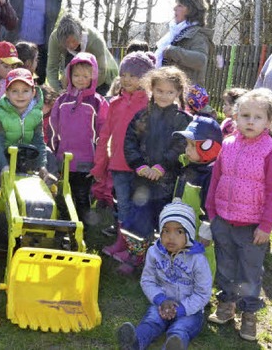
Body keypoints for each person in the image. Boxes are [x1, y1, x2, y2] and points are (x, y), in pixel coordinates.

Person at [206, 88, 272, 341]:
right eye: (245, 115)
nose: (250, 121)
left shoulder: (270, 152)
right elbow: (216, 179)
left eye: (258, 117)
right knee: (226, 266)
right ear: (235, 116)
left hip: (252, 227)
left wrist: (266, 225)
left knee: (249, 273)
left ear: (268, 122)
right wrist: (212, 213)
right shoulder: (227, 145)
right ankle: (227, 305)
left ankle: (249, 315)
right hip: (223, 221)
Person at [119, 66, 192, 274]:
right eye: (160, 91)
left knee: (167, 223)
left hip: (168, 184)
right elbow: (129, 143)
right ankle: (136, 257)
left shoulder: (183, 120)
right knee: (139, 220)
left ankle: (165, 260)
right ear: (151, 89)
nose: (164, 95)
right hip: (142, 182)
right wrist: (139, 165)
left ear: (178, 93)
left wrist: (163, 166)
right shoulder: (141, 116)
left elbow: (182, 147)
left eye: (170, 92)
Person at [0, 68, 50, 254]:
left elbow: (39, 141)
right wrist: (4, 166)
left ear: (33, 92)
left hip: (23, 153)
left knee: (37, 186)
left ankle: (36, 227)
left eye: (25, 91)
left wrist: (43, 165)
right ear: (6, 93)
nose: (20, 95)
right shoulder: (0, 113)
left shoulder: (36, 114)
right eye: (15, 91)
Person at [117, 200, 212, 350]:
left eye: (178, 231)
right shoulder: (154, 253)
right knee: (151, 321)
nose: (171, 237)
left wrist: (180, 309)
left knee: (180, 328)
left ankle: (172, 346)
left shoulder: (198, 260)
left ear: (189, 234)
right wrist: (161, 300)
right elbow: (147, 280)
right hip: (161, 305)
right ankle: (133, 344)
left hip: (189, 310)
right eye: (166, 231)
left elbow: (203, 293)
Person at [93, 52, 153, 258]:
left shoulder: (149, 105)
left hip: (139, 167)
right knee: (122, 206)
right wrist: (100, 164)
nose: (127, 80)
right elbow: (105, 134)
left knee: (138, 209)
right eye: (124, 75)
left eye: (134, 76)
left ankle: (136, 250)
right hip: (118, 164)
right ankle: (122, 242)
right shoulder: (116, 103)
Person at [50, 52, 109, 224]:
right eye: (76, 75)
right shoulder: (62, 100)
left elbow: (103, 131)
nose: (80, 79)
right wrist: (54, 150)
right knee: (63, 193)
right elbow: (53, 126)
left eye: (85, 75)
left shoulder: (97, 102)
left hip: (86, 159)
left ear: (93, 76)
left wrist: (99, 158)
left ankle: (82, 227)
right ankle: (67, 224)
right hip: (64, 158)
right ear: (69, 75)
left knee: (82, 195)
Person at [0, 0, 63, 85]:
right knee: (8, 89)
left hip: (38, 53)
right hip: (11, 49)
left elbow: (51, 22)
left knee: (35, 93)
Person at [173, 115, 223, 278]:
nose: (187, 149)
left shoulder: (210, 175)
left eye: (193, 145)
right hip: (186, 225)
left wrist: (206, 231)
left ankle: (203, 290)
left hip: (200, 231)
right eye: (187, 144)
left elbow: (210, 205)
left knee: (203, 259)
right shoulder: (189, 165)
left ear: (209, 147)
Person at [46, 13, 118, 94]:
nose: (71, 45)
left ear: (81, 34)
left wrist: (85, 92)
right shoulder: (55, 39)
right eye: (67, 42)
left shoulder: (96, 40)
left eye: (73, 41)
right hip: (72, 68)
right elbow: (52, 68)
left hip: (103, 78)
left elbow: (101, 71)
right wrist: (58, 90)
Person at [154, 0, 213, 86]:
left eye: (180, 5)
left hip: (187, 95)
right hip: (169, 91)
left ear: (191, 11)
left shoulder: (198, 35)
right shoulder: (175, 33)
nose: (174, 8)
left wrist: (172, 51)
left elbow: (201, 60)